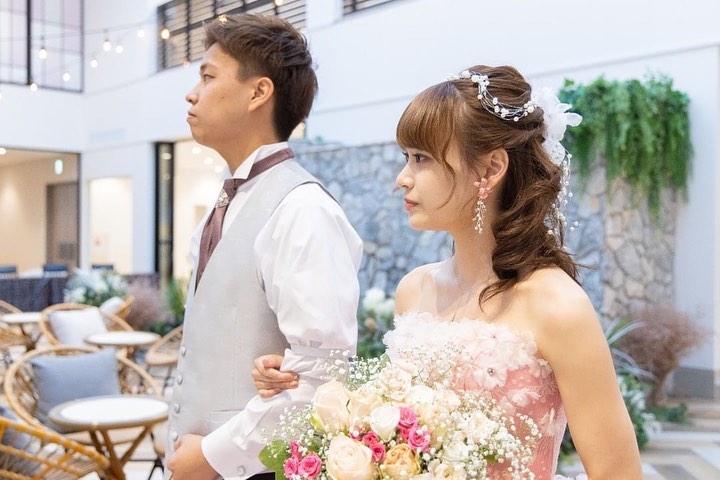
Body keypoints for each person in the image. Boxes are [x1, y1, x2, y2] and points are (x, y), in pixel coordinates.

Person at [252, 65, 643, 479]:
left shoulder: (557, 305)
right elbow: (398, 433)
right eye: (406, 158)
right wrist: (303, 378)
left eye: (420, 159)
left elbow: (618, 472)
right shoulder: (414, 289)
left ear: (490, 168)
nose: (402, 179)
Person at [166, 13, 363, 480]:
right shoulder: (225, 202)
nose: (191, 94)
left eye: (207, 77)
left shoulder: (302, 210)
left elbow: (323, 374)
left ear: (258, 93)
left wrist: (211, 455)